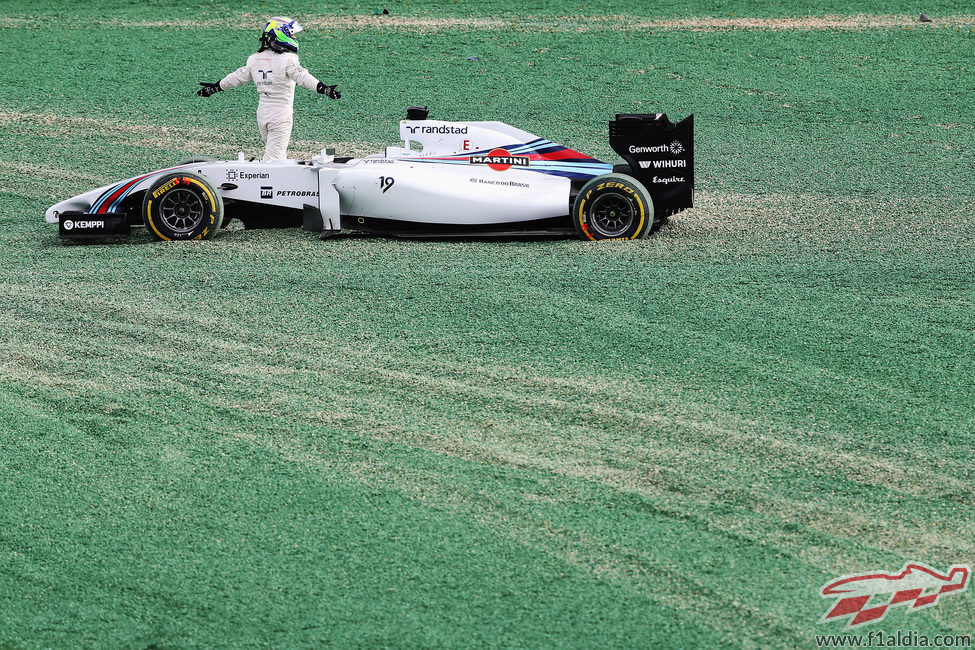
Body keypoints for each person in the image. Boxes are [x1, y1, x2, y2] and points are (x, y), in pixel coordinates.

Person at [197, 16, 341, 161]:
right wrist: (323, 88)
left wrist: (215, 87)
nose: (294, 36)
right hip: (280, 116)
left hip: (262, 115)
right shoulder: (288, 60)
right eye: (291, 33)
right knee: (274, 160)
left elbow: (237, 77)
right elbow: (302, 77)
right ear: (279, 33)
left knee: (275, 154)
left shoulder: (254, 59)